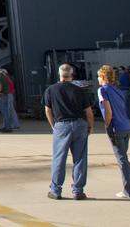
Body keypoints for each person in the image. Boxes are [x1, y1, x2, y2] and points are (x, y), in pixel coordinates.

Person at [44, 63, 94, 200]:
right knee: (80, 158)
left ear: (60, 74)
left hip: (61, 125)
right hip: (79, 124)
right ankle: (78, 191)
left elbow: (47, 110)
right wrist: (90, 126)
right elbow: (88, 112)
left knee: (59, 158)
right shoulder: (80, 90)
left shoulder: (51, 90)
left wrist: (54, 126)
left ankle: (56, 190)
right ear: (72, 74)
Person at [96, 65, 130, 199]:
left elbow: (107, 110)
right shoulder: (117, 90)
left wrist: (107, 125)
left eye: (99, 76)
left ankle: (129, 191)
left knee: (122, 159)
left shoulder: (102, 90)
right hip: (126, 126)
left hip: (116, 127)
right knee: (124, 159)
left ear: (103, 77)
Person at [0, 67, 20, 132]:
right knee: (10, 111)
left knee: (5, 112)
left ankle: (7, 127)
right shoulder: (7, 78)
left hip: (4, 95)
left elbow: (0, 86)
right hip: (8, 95)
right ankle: (10, 125)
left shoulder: (0, 77)